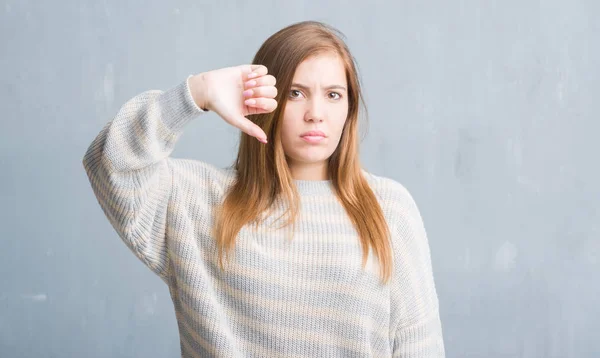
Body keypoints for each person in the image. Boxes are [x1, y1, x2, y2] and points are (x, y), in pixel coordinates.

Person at [82, 20, 445, 357]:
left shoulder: (389, 209)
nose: (315, 112)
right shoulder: (198, 202)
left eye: (333, 95)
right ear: (262, 103)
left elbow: (421, 346)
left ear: (349, 108)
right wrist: (198, 92)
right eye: (295, 93)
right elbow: (110, 163)